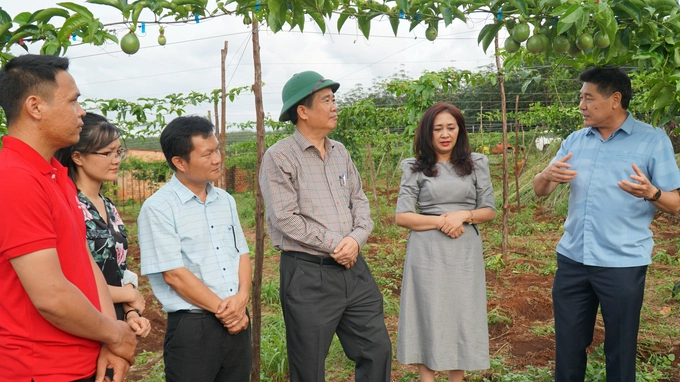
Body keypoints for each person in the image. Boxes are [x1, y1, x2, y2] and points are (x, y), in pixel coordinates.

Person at [533, 66, 680, 382]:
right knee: (568, 351)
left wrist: (651, 192)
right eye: (580, 98)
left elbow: (676, 203)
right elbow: (540, 189)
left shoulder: (651, 142)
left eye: (588, 98)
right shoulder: (576, 140)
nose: (581, 106)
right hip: (573, 262)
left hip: (623, 265)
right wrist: (545, 176)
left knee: (620, 352)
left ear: (615, 100)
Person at [0, 54, 137, 382]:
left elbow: (87, 264)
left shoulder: (54, 175)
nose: (82, 112)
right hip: (41, 368)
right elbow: (51, 296)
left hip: (79, 360)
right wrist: (117, 334)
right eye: (74, 101)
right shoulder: (14, 177)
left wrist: (110, 340)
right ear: (36, 107)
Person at [259, 70, 392, 382]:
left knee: (376, 349)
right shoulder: (279, 157)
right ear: (302, 112)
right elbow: (285, 217)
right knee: (308, 366)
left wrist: (355, 240)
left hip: (353, 269)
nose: (335, 107)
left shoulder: (340, 152)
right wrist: (337, 243)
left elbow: (360, 201)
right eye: (327, 100)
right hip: (308, 276)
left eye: (334, 100)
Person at [138, 115, 252, 382]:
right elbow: (174, 275)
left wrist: (242, 299)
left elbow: (241, 253)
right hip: (195, 326)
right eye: (207, 153)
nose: (217, 159)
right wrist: (227, 313)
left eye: (217, 150)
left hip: (237, 318)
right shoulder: (159, 208)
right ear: (179, 162)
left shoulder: (224, 200)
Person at [395, 102, 496, 382]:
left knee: (460, 311)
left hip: (464, 251)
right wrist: (443, 221)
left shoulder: (476, 164)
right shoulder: (414, 167)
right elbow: (403, 216)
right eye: (438, 128)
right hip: (426, 250)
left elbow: (488, 210)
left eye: (451, 127)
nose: (444, 134)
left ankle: (457, 378)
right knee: (425, 309)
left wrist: (464, 214)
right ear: (428, 133)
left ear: (459, 130)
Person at [55, 112, 151, 338]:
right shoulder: (70, 206)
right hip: (85, 323)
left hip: (116, 323)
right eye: (107, 153)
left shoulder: (108, 206)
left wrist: (131, 314)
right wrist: (128, 296)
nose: (116, 159)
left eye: (118, 152)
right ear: (78, 157)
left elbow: (119, 269)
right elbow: (69, 282)